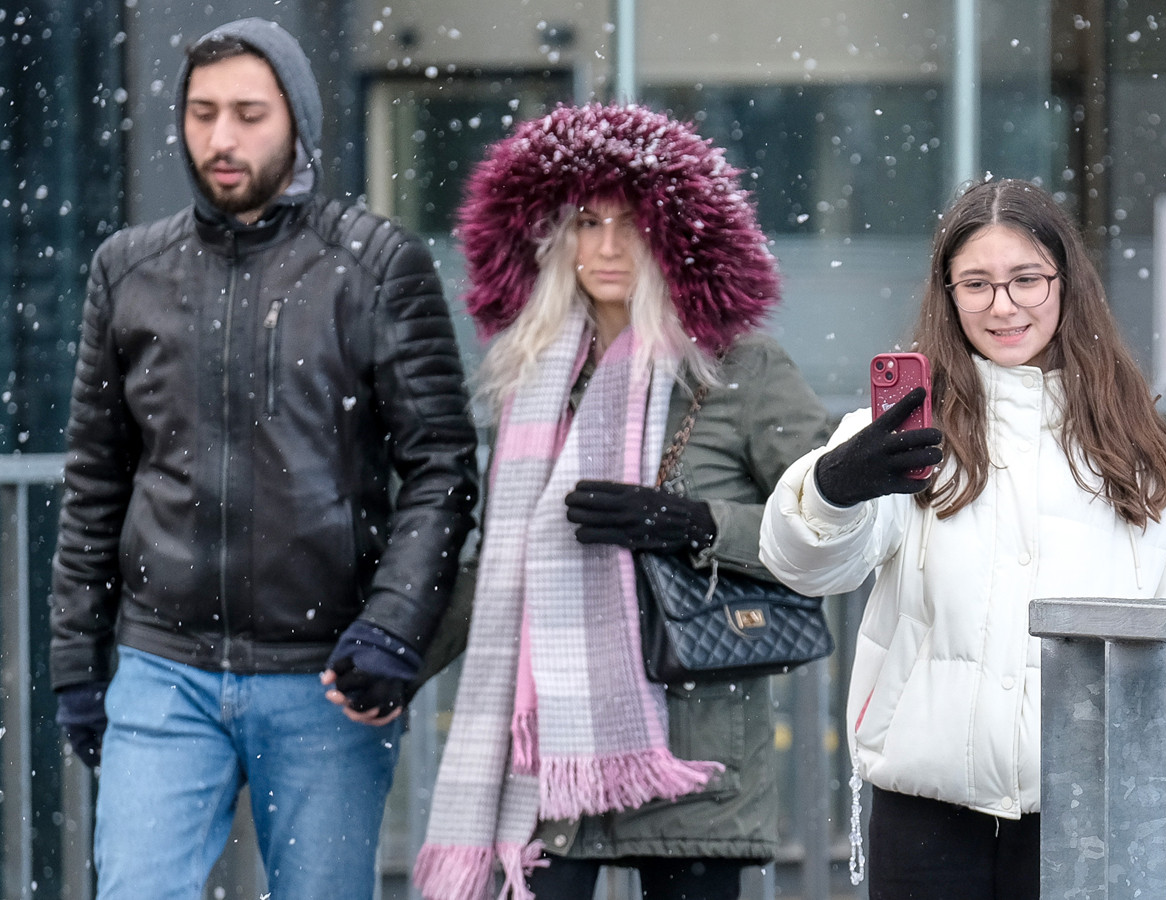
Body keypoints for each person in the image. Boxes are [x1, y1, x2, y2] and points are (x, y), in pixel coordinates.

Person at [48, 18, 479, 898]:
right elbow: (95, 478)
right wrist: (75, 663)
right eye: (202, 113)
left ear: (298, 122)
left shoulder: (376, 266)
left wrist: (394, 626)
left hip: (326, 676)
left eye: (249, 114)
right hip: (163, 669)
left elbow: (441, 466)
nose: (221, 138)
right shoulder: (127, 270)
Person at [758, 178, 1166, 900]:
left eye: (1026, 279)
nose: (1003, 306)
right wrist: (830, 489)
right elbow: (807, 568)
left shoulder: (1149, 458)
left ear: (1067, 283)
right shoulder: (903, 434)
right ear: (948, 295)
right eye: (976, 284)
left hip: (1092, 808)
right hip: (926, 814)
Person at [412, 103, 833, 900]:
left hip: (694, 747)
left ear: (676, 236)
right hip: (550, 768)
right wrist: (398, 659)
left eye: (633, 224)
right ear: (552, 238)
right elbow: (501, 575)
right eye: (587, 223)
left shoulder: (739, 368)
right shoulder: (533, 382)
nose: (608, 248)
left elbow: (828, 528)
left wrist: (696, 525)